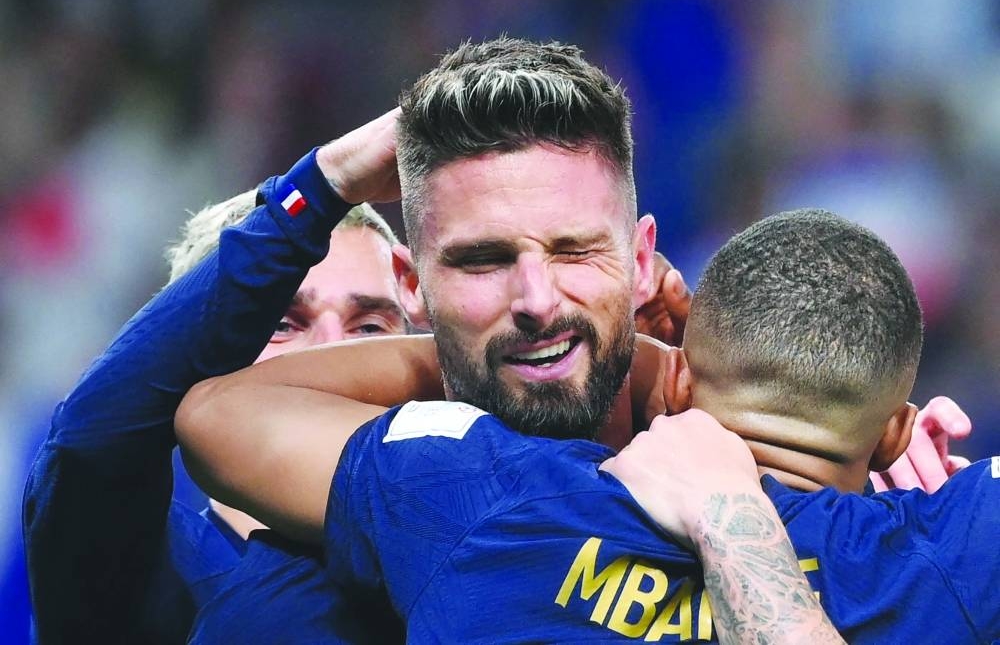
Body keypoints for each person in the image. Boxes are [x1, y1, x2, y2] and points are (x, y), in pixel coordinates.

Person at [177, 38, 847, 643]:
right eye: (482, 261)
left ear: (642, 262)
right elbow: (206, 413)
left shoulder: (790, 470)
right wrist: (647, 364)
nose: (536, 301)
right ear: (412, 285)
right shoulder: (396, 505)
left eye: (575, 251)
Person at [180, 207, 997, 643]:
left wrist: (494, 347)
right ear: (896, 431)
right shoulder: (960, 545)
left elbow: (218, 411)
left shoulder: (490, 496)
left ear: (676, 376)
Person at [22, 110, 412, 644]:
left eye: (369, 326)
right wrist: (319, 189)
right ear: (188, 358)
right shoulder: (139, 572)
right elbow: (89, 445)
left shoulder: (472, 548)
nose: (333, 352)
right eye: (281, 323)